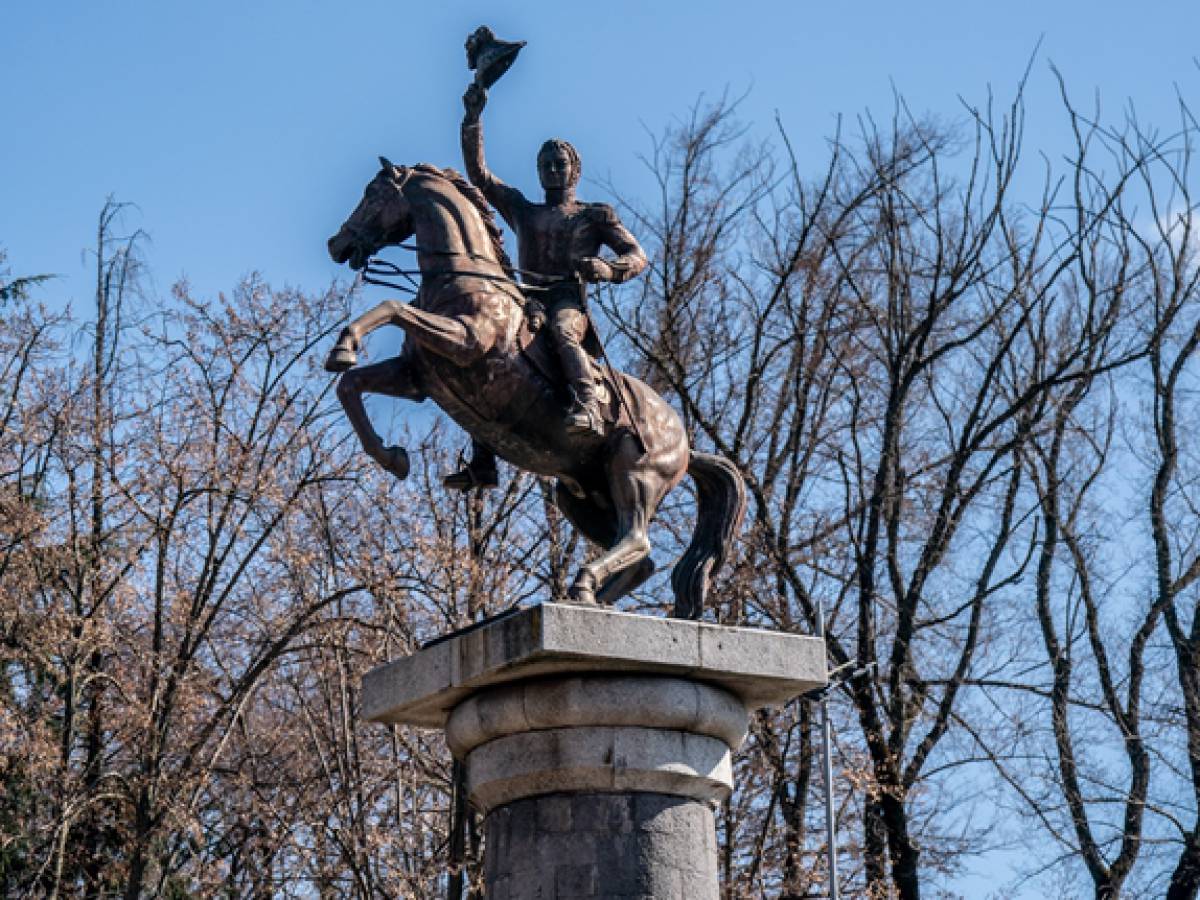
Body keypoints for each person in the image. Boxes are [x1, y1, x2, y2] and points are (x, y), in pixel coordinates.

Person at [443, 82, 648, 491]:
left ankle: (587, 403)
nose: (553, 171)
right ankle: (483, 461)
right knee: (488, 350)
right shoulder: (523, 209)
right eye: (546, 165)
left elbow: (637, 256)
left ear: (575, 170)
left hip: (566, 301)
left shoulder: (594, 215)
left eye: (560, 164)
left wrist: (606, 269)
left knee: (562, 333)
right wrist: (473, 118)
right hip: (526, 300)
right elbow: (480, 176)